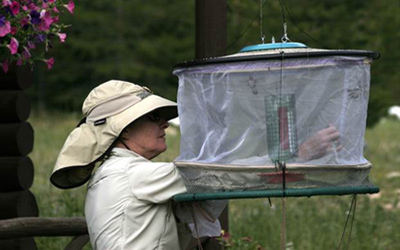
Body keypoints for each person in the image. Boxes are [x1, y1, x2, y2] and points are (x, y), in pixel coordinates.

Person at [50, 80, 218, 249]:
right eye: (154, 116)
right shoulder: (128, 172)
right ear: (124, 129)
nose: (165, 124)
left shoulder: (114, 171)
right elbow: (213, 174)